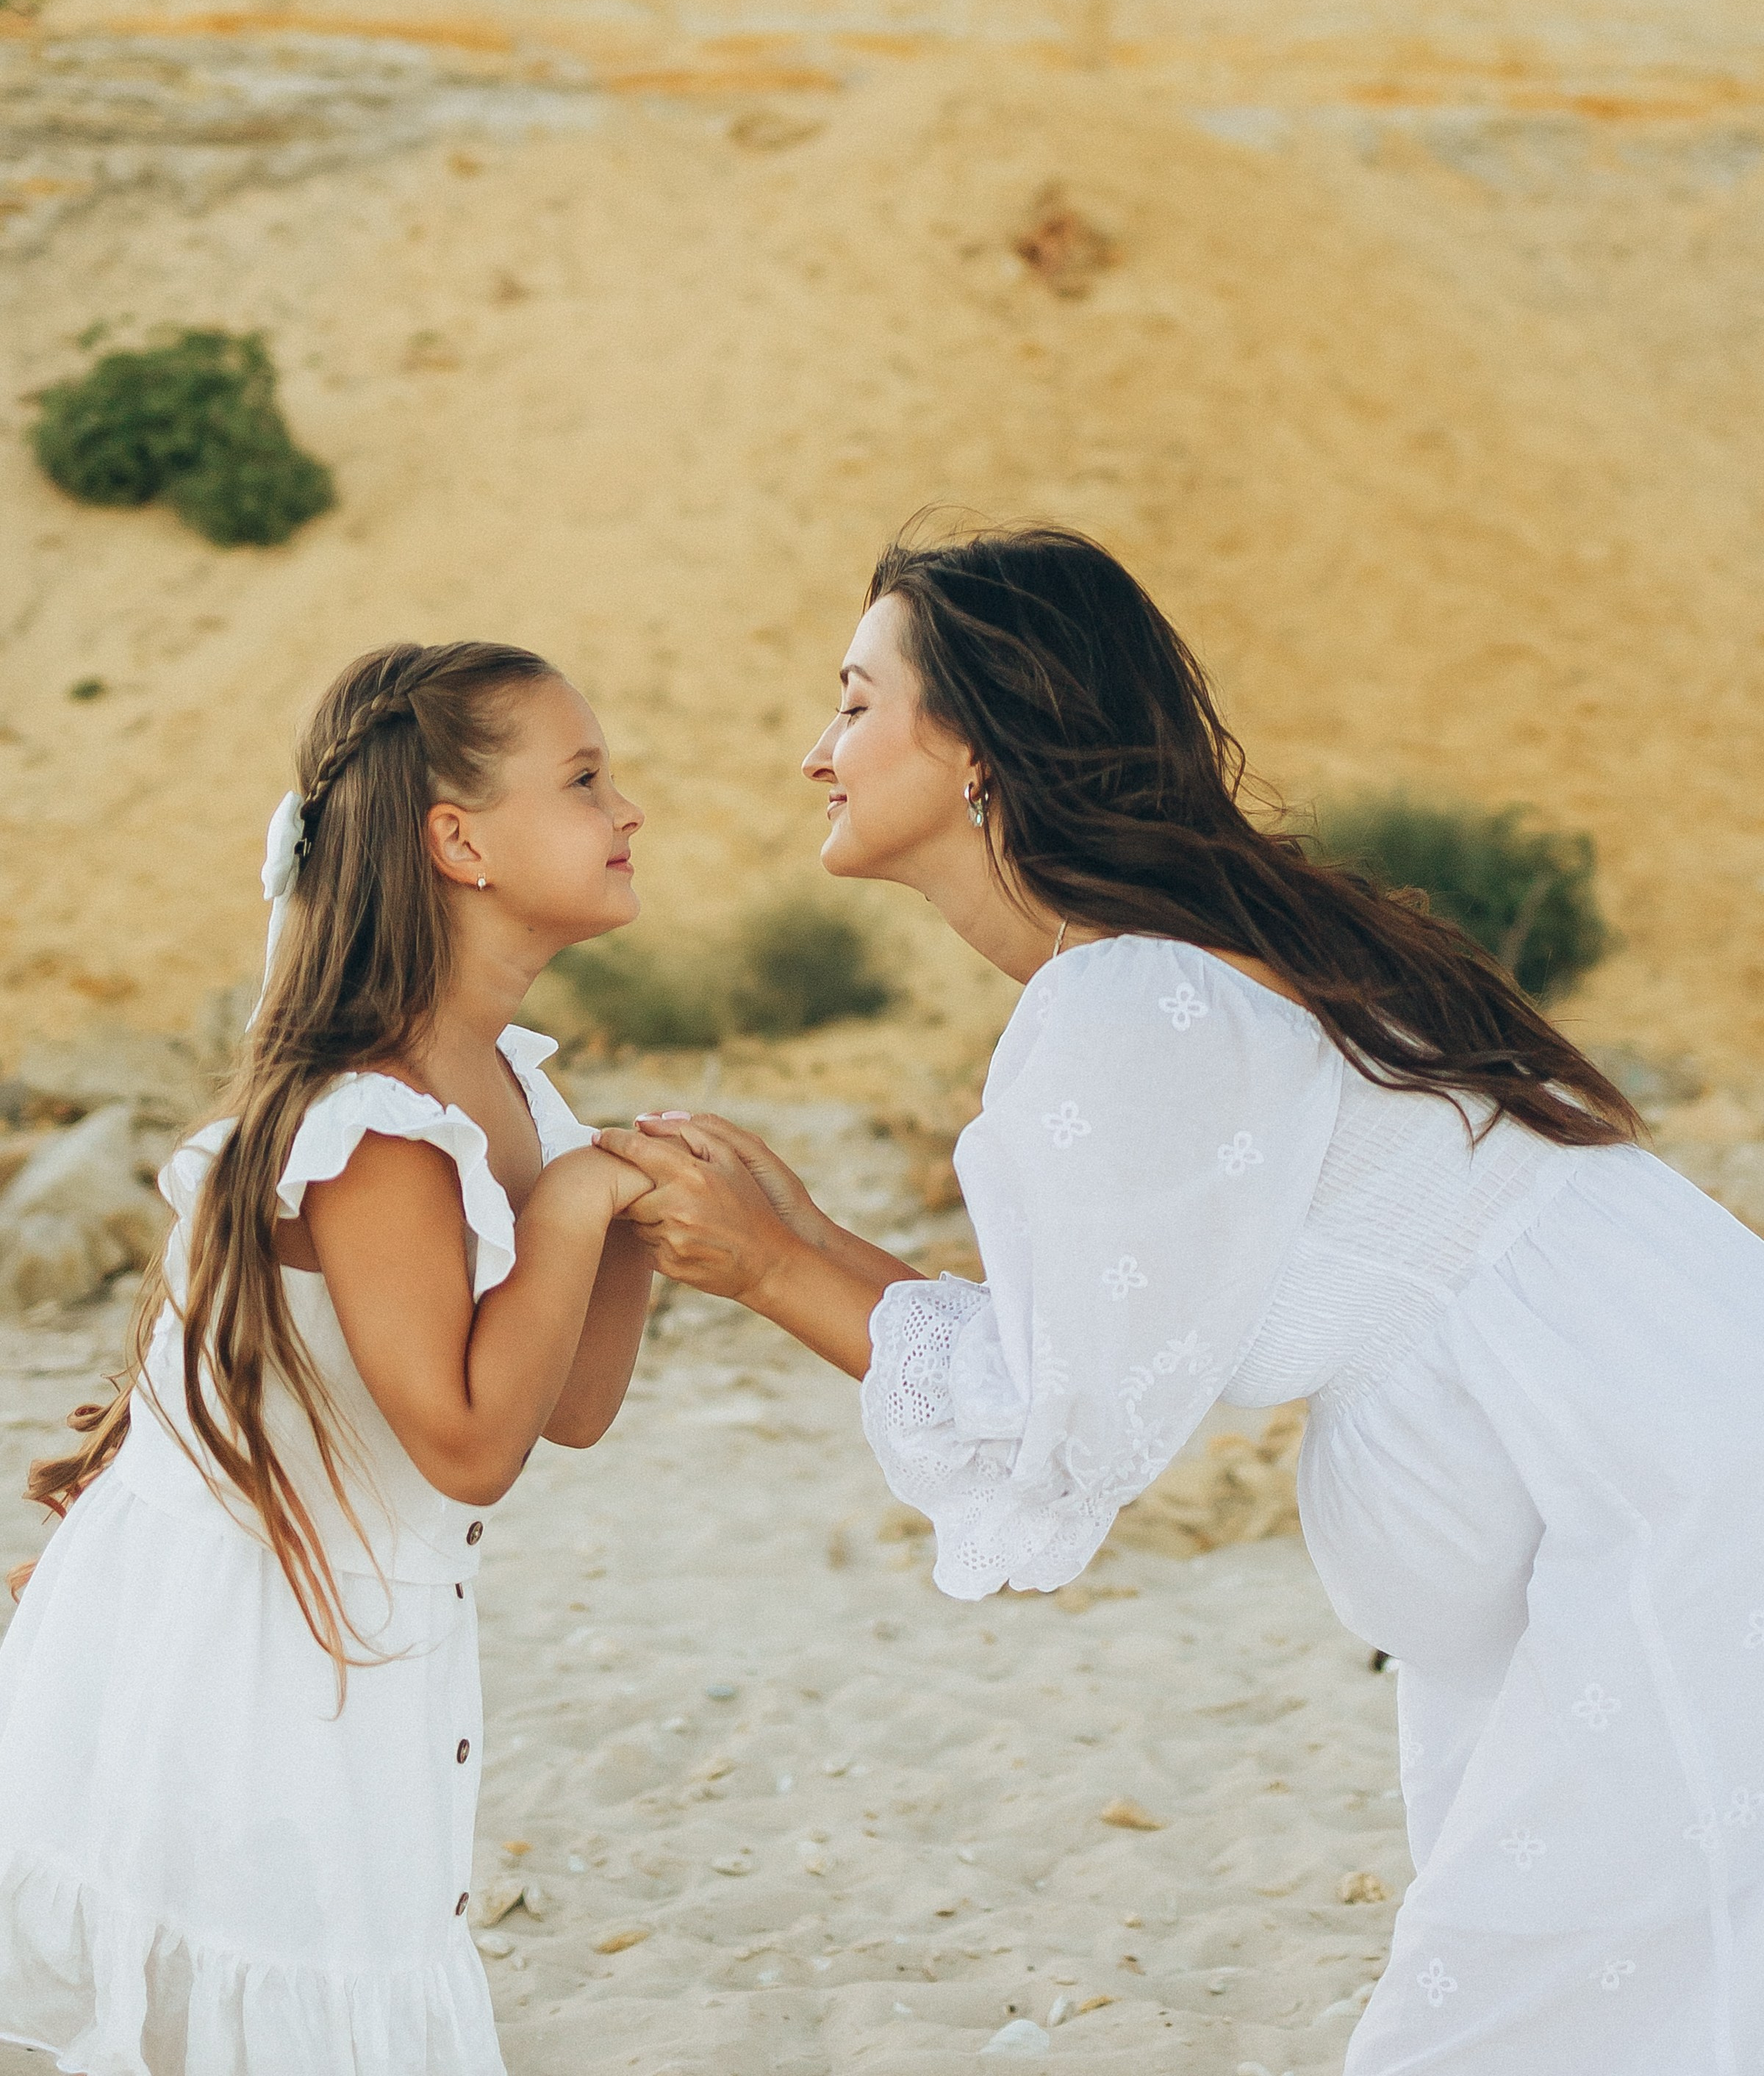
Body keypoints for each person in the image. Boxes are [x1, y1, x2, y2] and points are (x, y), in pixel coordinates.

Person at [606, 524, 1764, 2076]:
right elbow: (1081, 1345)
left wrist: (772, 1263)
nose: (816, 753)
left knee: (1534, 2017)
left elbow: (1058, 1427)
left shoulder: (1132, 991)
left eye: (854, 701)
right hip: (1650, 1429)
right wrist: (804, 1236)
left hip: (1657, 1486)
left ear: (974, 748)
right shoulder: (1182, 958)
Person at [0, 642, 656, 2076]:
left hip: (364, 1658)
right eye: (588, 778)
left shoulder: (513, 1084)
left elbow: (574, 1407)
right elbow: (469, 1444)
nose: (629, 811)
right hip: (247, 1680)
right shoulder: (376, 1132)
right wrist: (577, 1202)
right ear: (459, 840)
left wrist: (628, 1221)